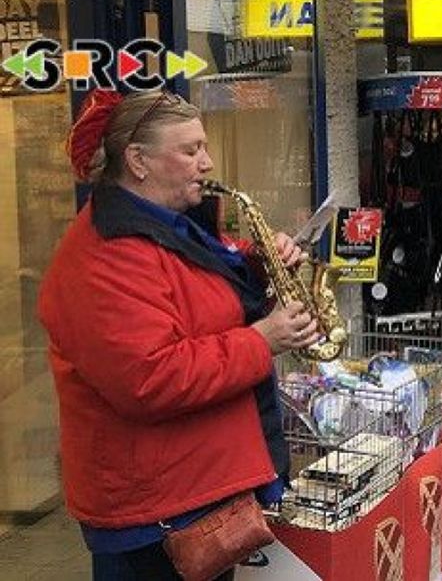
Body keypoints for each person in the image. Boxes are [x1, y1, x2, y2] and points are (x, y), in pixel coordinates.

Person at [38, 89, 322, 580]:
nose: (207, 163)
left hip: (189, 493)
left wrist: (258, 265)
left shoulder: (165, 226)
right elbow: (149, 378)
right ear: (138, 161)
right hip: (156, 512)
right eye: (189, 150)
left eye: (203, 147)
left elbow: (195, 304)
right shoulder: (107, 255)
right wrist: (262, 341)